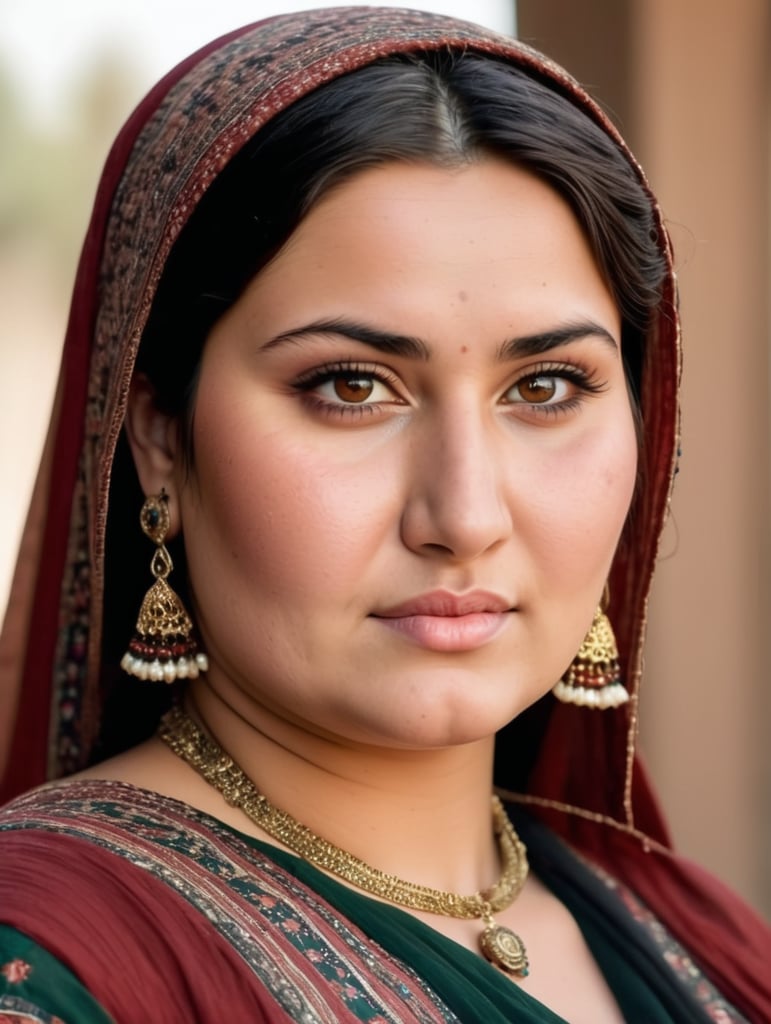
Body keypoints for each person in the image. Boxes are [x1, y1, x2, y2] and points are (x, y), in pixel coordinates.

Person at [0, 6, 768, 1022]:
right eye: (351, 386)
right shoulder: (56, 968)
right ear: (159, 437)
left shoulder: (704, 943)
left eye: (545, 386)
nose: (465, 513)